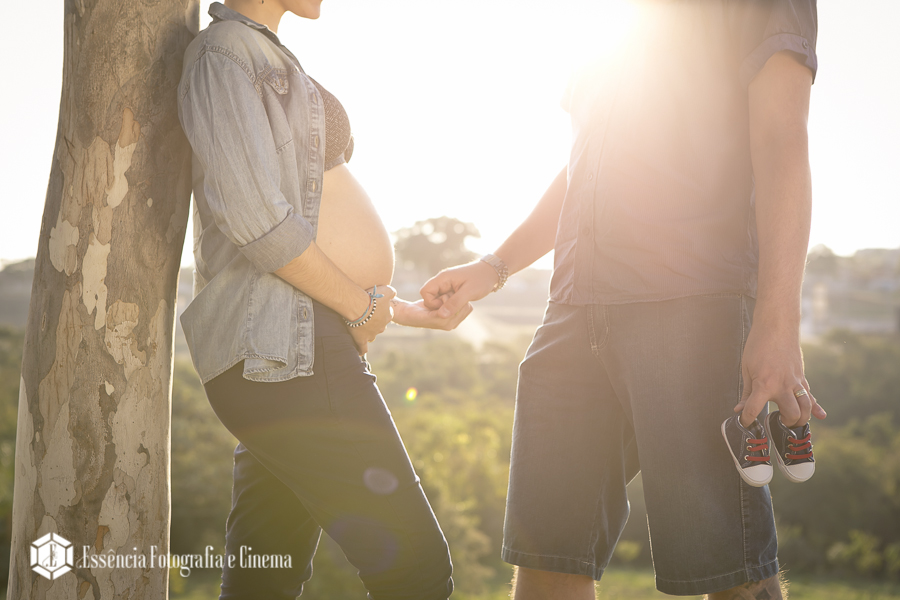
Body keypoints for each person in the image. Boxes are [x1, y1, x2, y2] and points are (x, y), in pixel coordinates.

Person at [421, 1, 826, 598]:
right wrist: (493, 266)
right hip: (572, 311)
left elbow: (780, 138)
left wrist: (777, 323)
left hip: (693, 308)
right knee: (548, 554)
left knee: (729, 569)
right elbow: (586, 163)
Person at [176, 1, 469, 598]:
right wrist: (360, 308)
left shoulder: (262, 53)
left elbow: (313, 222)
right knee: (415, 570)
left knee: (268, 574)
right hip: (283, 354)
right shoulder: (223, 53)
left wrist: (391, 306)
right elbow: (256, 219)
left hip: (297, 345)